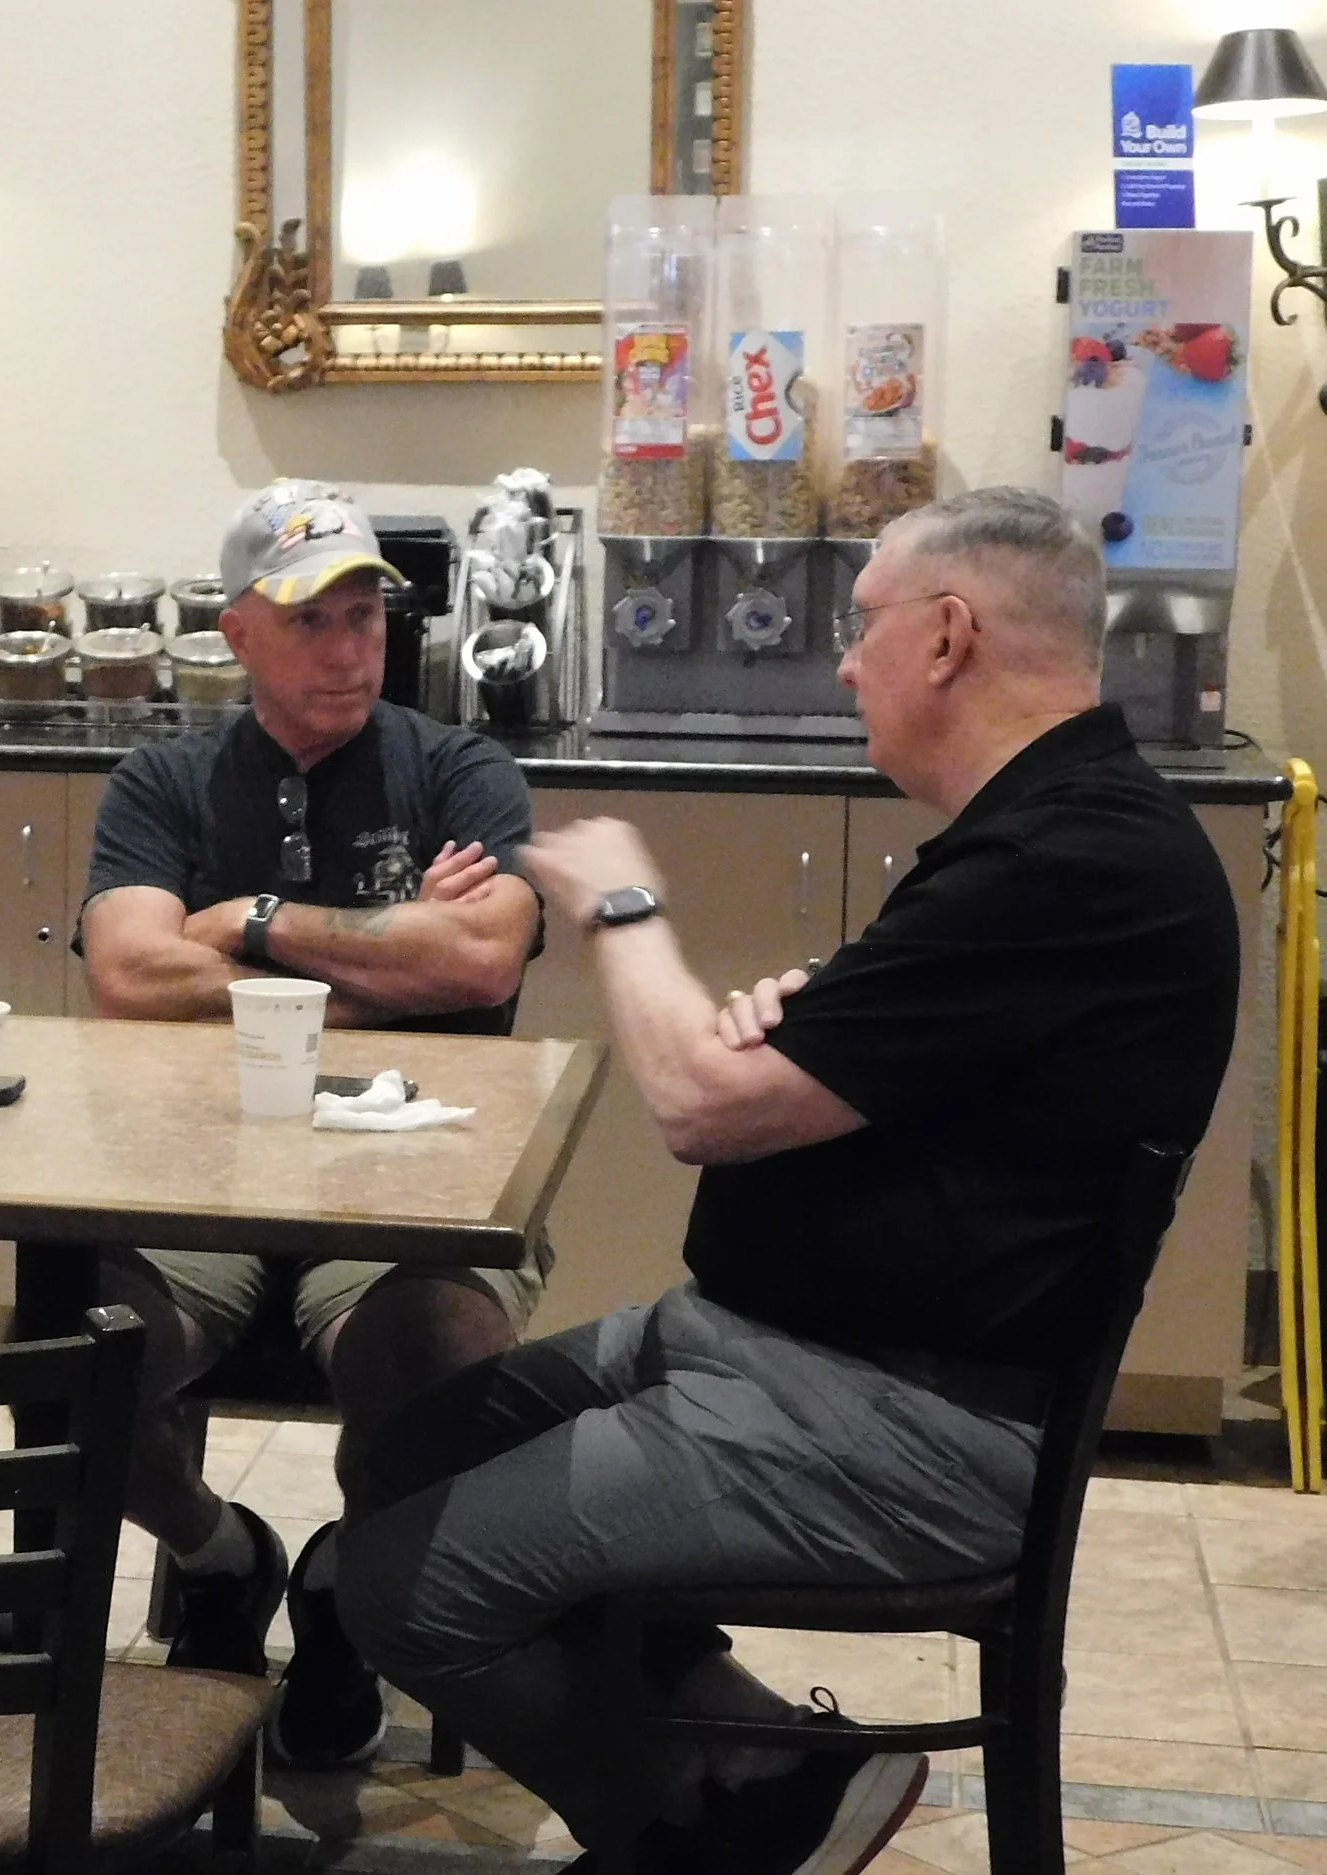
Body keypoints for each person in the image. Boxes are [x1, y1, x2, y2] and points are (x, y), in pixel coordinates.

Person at [335, 487, 1241, 1874]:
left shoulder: (1071, 858)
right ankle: (768, 1761)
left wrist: (623, 906)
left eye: (860, 625)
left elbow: (701, 1104)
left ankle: (707, 1836)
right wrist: (806, 1014)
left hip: (900, 1422)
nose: (843, 663)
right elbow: (860, 1062)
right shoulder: (1048, 832)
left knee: (401, 1589)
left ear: (948, 636)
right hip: (780, 1351)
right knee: (407, 1451)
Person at [79, 481, 546, 1767]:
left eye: (365, 617)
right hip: (195, 1169)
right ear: (236, 632)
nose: (348, 648)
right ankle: (217, 1554)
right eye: (310, 621)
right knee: (81, 1359)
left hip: (418, 1171)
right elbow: (129, 974)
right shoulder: (165, 780)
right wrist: (391, 961)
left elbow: (482, 962)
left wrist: (250, 924)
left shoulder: (459, 770)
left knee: (435, 1357)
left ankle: (348, 1586)